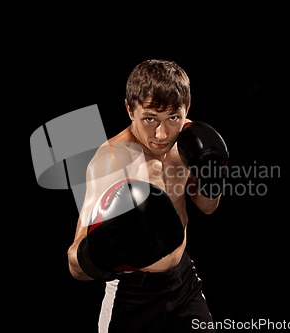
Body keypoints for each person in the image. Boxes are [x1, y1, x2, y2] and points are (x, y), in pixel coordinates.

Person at [67, 59, 229, 332]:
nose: (162, 134)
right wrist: (103, 250)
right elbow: (75, 263)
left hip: (182, 280)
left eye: (173, 118)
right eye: (150, 119)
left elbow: (207, 207)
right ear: (130, 109)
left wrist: (212, 180)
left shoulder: (190, 142)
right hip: (132, 295)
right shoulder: (111, 161)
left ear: (186, 109)